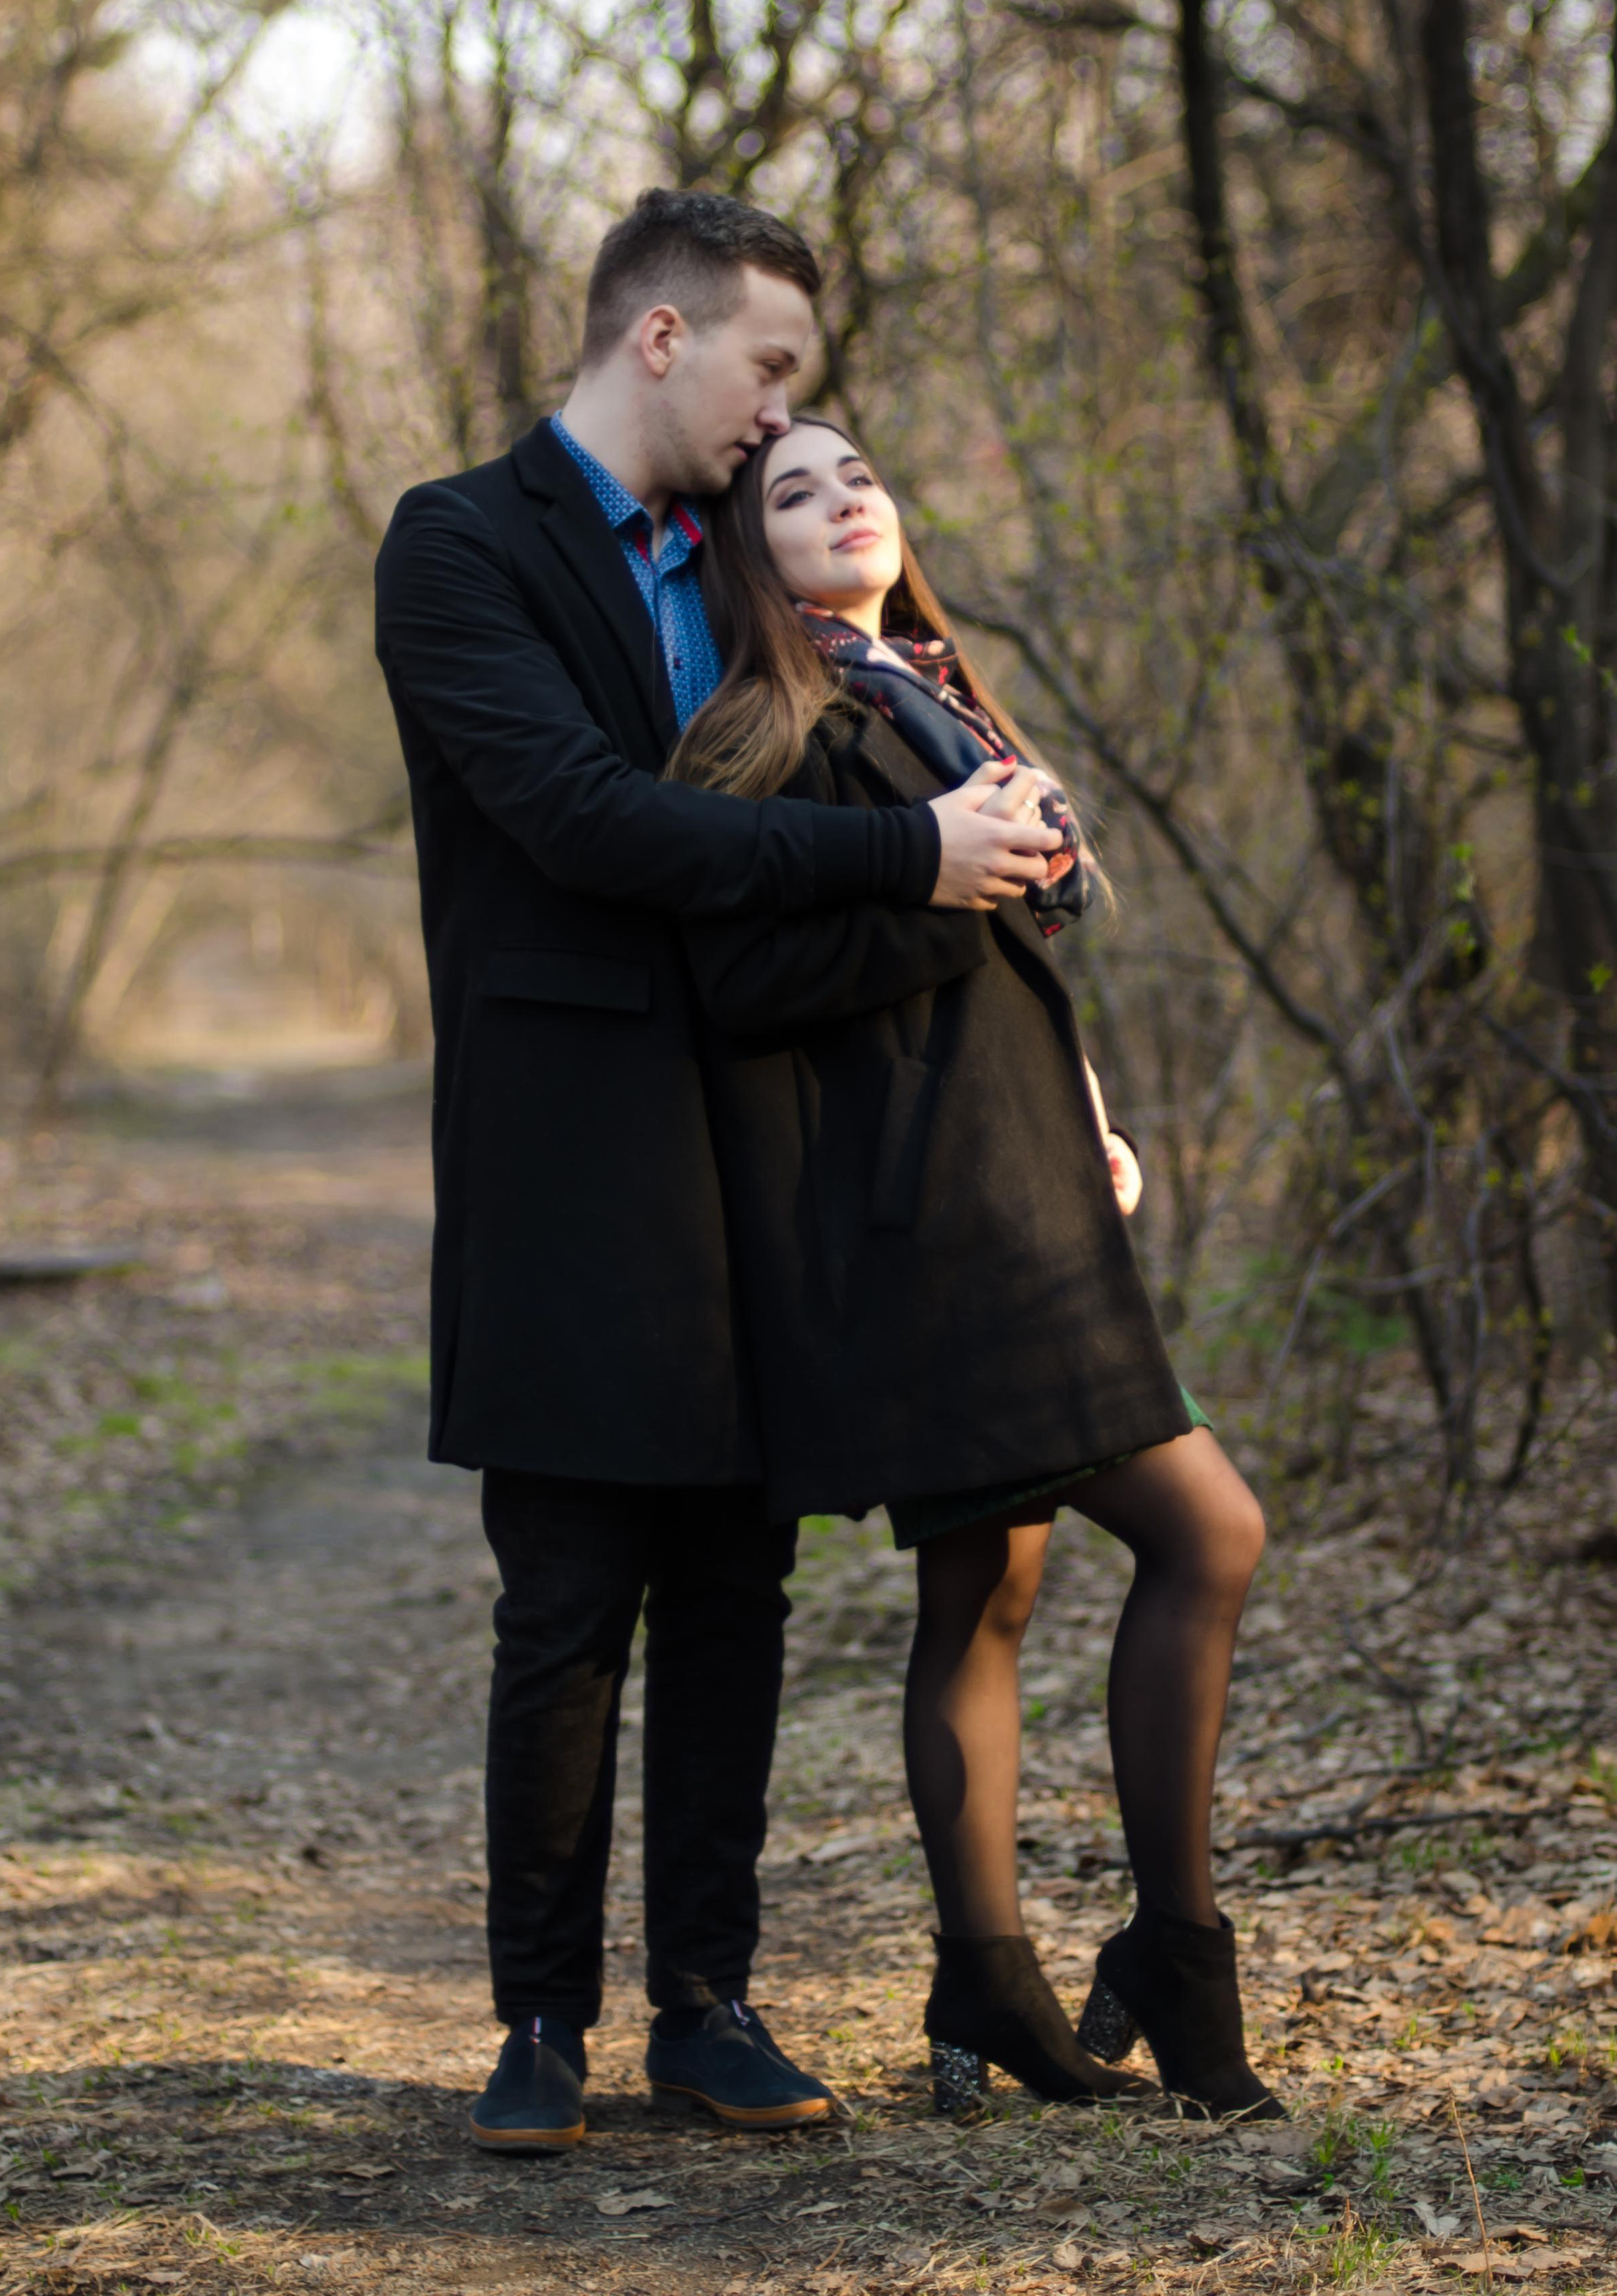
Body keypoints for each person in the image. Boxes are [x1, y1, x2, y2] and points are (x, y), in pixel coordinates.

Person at [372, 193, 1061, 2153]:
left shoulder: (756, 567)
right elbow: (589, 822)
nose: (786, 419)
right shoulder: (458, 546)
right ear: (660, 341)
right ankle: (536, 2025)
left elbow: (905, 757)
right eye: (769, 370)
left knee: (738, 1589)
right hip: (572, 1151)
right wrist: (902, 858)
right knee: (571, 1593)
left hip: (779, 1138)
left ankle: (707, 2003)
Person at [671, 415, 1279, 2122]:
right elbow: (743, 987)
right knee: (1207, 1529)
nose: (842, 499)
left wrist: (1083, 1102)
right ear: (747, 555)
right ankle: (1170, 1953)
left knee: (987, 1595)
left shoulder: (934, 684)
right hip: (932, 1216)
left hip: (1029, 1181)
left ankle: (981, 1981)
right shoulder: (757, 725)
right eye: (791, 493)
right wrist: (933, 878)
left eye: (855, 474)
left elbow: (1004, 931)